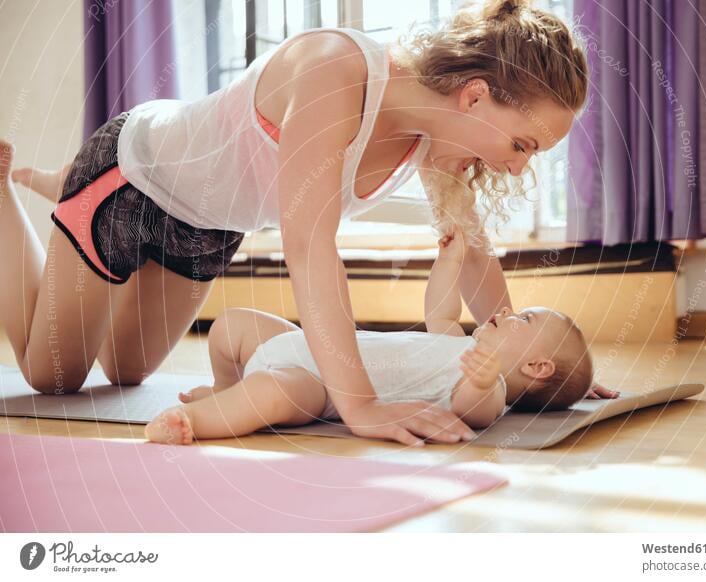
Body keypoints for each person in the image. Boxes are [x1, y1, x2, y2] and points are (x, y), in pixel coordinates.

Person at [1, 0, 593, 447]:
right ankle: (16, 190)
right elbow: (310, 249)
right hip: (132, 182)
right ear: (473, 96)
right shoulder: (334, 69)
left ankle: (61, 207)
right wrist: (359, 406)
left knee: (127, 371)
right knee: (54, 377)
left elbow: (476, 251)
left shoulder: (435, 140)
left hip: (208, 227)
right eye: (521, 144)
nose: (516, 166)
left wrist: (545, 369)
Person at [143, 228, 599, 446]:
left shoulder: (490, 385)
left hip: (316, 385)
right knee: (231, 323)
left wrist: (482, 382)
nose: (506, 312)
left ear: (537, 367)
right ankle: (227, 391)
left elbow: (474, 415)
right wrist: (451, 259)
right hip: (316, 345)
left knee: (273, 392)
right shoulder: (459, 343)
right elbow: (439, 308)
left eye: (524, 319)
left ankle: (195, 422)